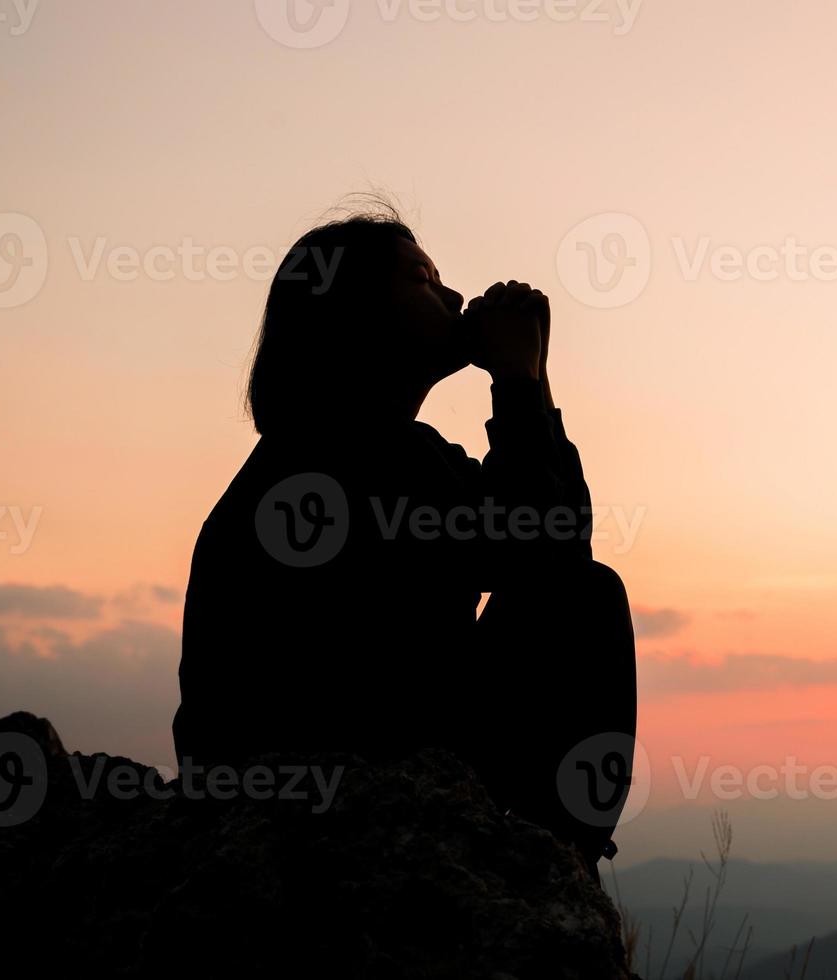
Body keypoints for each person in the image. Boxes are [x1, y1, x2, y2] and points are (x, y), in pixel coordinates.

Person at [172, 204, 636, 870]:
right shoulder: (365, 454)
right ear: (354, 312)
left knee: (572, 591)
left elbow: (553, 534)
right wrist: (518, 379)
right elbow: (555, 555)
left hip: (262, 814)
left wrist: (532, 379)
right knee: (586, 600)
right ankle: (555, 868)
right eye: (422, 279)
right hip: (348, 817)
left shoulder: (322, 450)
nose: (452, 296)